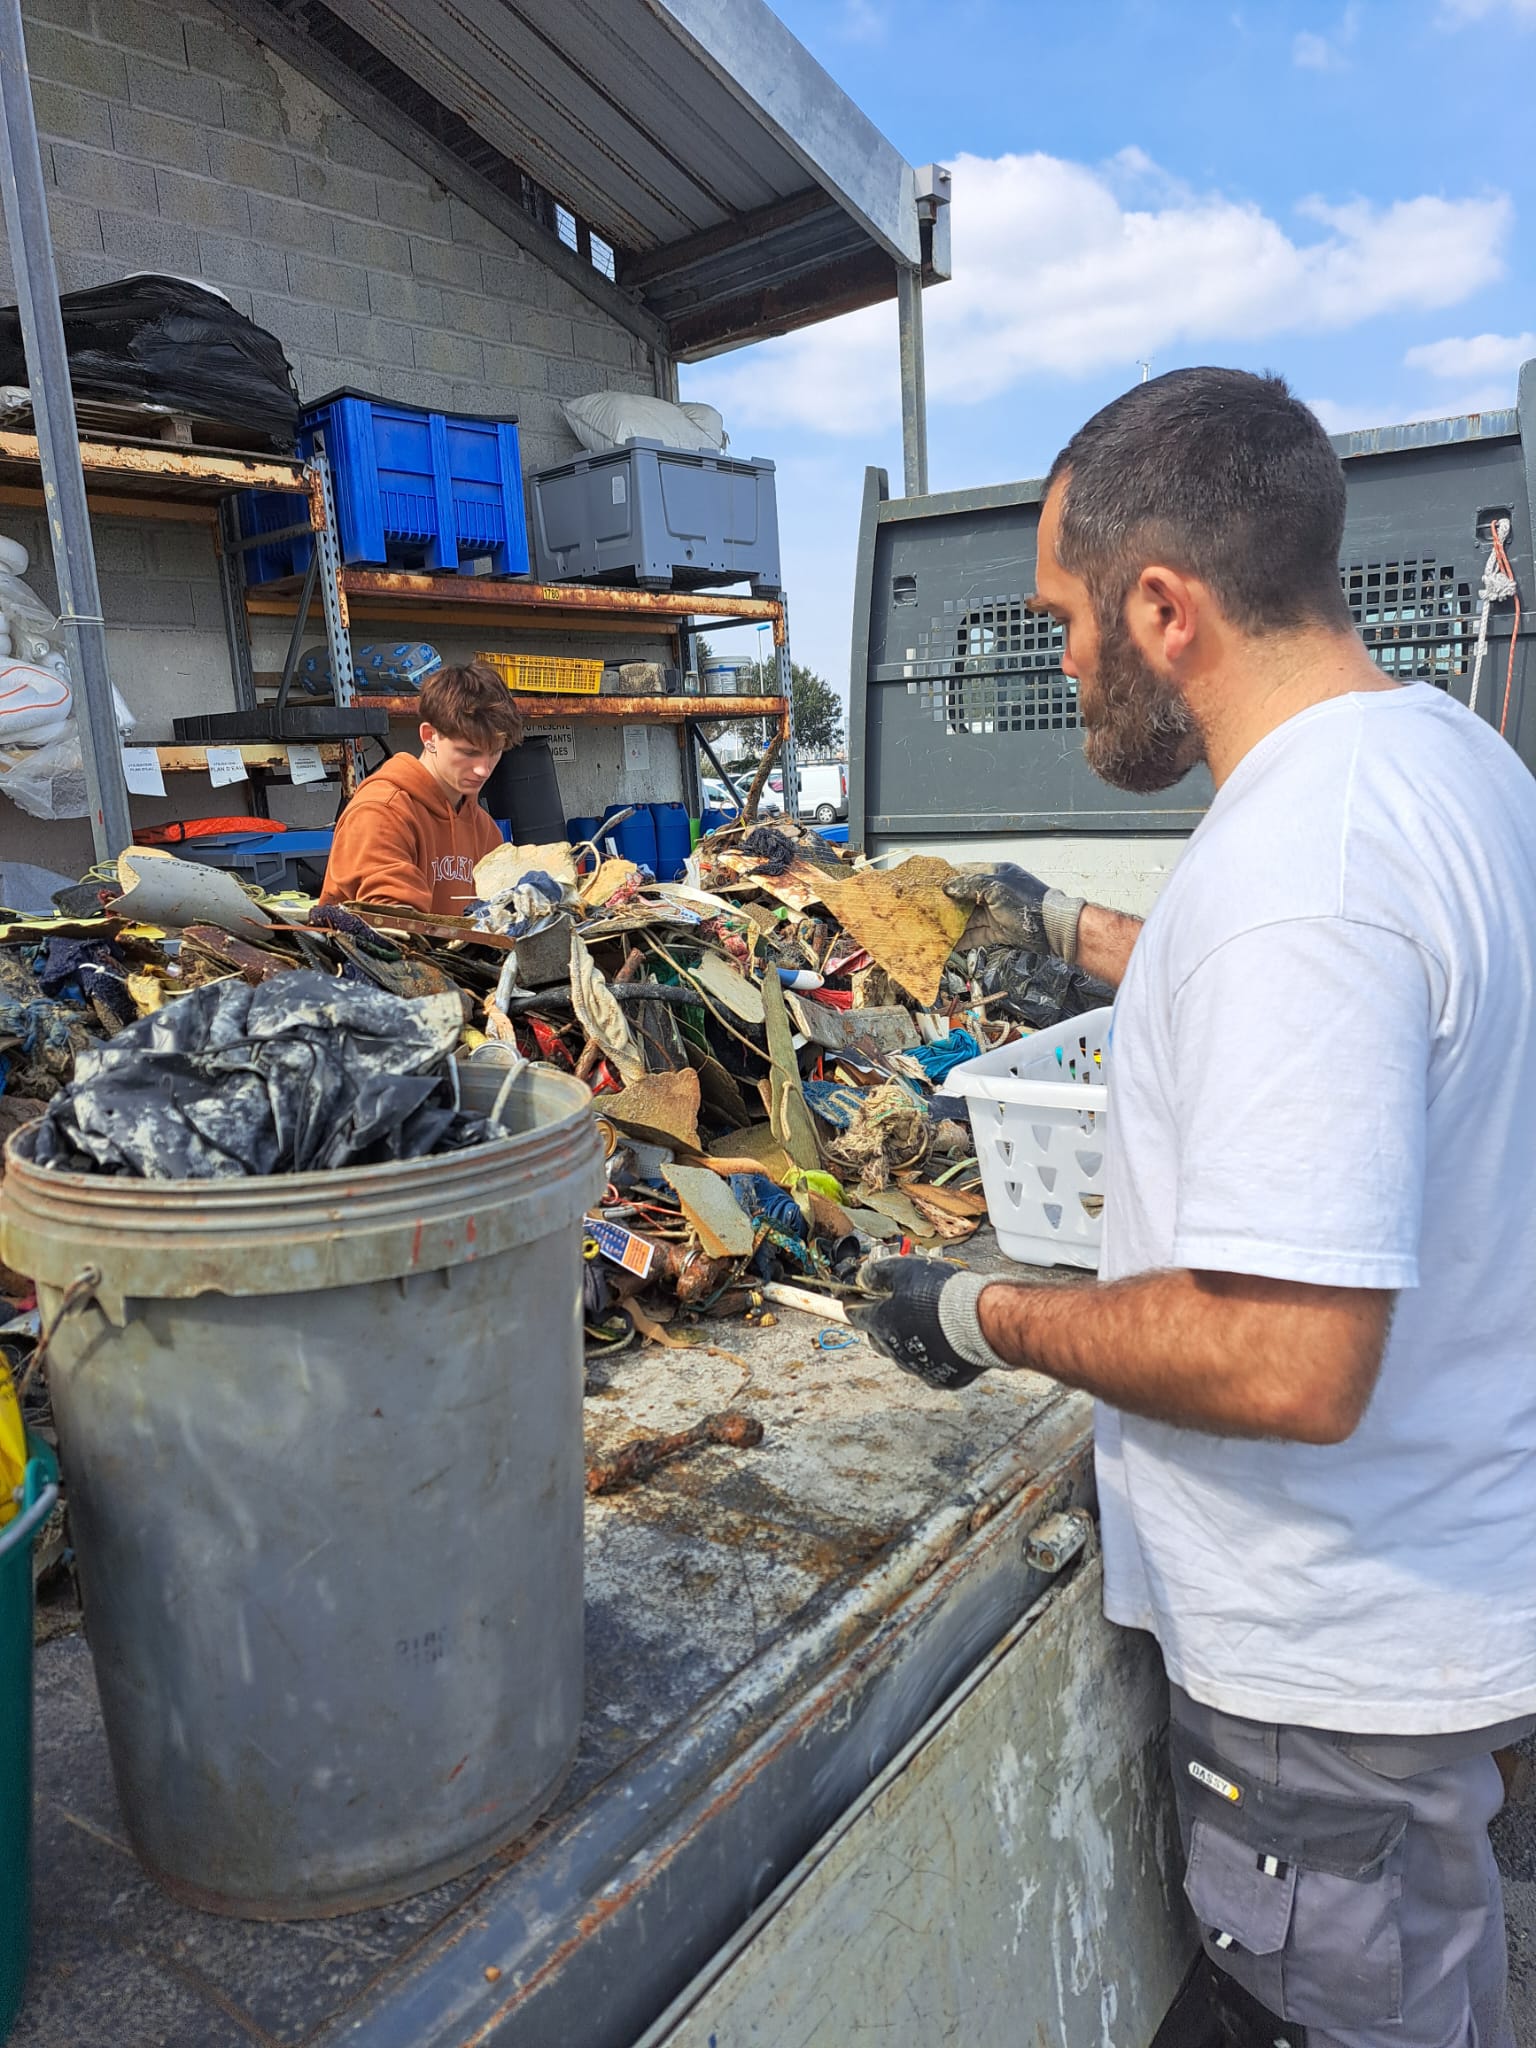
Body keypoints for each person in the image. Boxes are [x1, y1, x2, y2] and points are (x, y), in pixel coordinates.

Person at [852, 366, 1536, 2048]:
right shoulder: (1444, 764)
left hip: (1335, 1671)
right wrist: (1072, 931)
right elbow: (1343, 1007)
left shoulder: (1299, 872)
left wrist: (983, 1313)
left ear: (1164, 608)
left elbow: (1287, 1358)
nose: (1062, 661)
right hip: (1451, 1586)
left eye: (1064, 620)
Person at [320, 662, 522, 915]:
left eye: (494, 752)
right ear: (429, 737)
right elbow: (393, 925)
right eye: (469, 752)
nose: (483, 769)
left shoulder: (485, 830)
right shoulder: (381, 813)